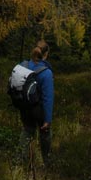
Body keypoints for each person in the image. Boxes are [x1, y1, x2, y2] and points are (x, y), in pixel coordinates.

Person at [19, 40, 54, 169]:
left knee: (27, 131)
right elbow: (48, 98)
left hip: (24, 108)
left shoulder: (24, 65)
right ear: (46, 54)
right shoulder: (46, 72)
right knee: (45, 134)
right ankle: (47, 163)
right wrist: (47, 120)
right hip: (38, 110)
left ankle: (22, 163)